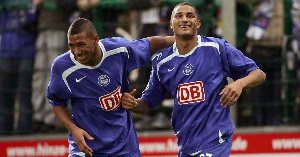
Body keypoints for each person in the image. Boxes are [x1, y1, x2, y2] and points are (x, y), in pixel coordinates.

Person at [121, 2, 266, 157]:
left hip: (215, 140)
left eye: (190, 16)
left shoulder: (216, 48)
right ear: (171, 24)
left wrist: (239, 83)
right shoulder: (162, 62)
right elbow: (148, 103)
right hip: (186, 145)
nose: (184, 19)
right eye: (179, 16)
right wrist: (132, 104)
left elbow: (258, 74)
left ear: (198, 23)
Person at [46, 17, 174, 156]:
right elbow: (56, 101)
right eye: (72, 46)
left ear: (95, 39)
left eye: (81, 44)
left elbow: (149, 44)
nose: (77, 51)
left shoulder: (118, 50)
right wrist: (73, 129)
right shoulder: (63, 67)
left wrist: (180, 39)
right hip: (87, 148)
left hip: (123, 146)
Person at [32, 0, 70, 132]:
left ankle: (51, 118)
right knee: (39, 74)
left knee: (52, 74)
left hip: (58, 27)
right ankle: (38, 116)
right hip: (42, 28)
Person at [0, 0, 37, 135]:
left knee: (24, 93)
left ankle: (24, 129)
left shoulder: (29, 3)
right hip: (6, 50)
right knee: (4, 93)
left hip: (26, 50)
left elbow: (32, 19)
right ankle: (4, 129)